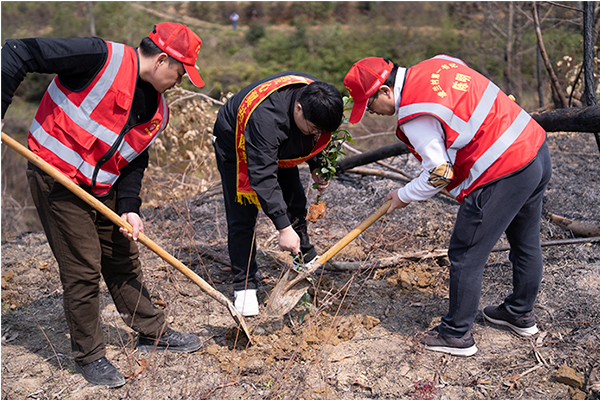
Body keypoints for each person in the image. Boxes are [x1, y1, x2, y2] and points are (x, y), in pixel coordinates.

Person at [1, 22, 205, 387]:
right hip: (57, 178)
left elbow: (134, 160)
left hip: (102, 187)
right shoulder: (99, 57)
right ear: (162, 59)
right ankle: (90, 356)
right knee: (82, 268)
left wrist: (130, 207)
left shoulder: (158, 109)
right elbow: (17, 52)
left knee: (122, 256)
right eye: (180, 72)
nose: (180, 81)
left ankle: (152, 332)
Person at [344, 56, 552, 356]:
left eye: (369, 105)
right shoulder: (438, 63)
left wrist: (403, 195)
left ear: (386, 91)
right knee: (526, 241)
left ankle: (456, 335)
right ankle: (519, 313)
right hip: (534, 149)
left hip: (503, 169)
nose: (372, 114)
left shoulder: (415, 115)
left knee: (466, 254)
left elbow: (440, 173)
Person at [212, 72, 343, 316]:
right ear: (299, 108)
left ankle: (303, 255)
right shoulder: (267, 120)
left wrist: (316, 164)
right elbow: (262, 178)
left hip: (278, 142)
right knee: (243, 214)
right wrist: (283, 229)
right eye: (313, 129)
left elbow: (316, 135)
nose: (316, 134)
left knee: (295, 199)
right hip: (235, 142)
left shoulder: (318, 98)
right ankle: (244, 285)